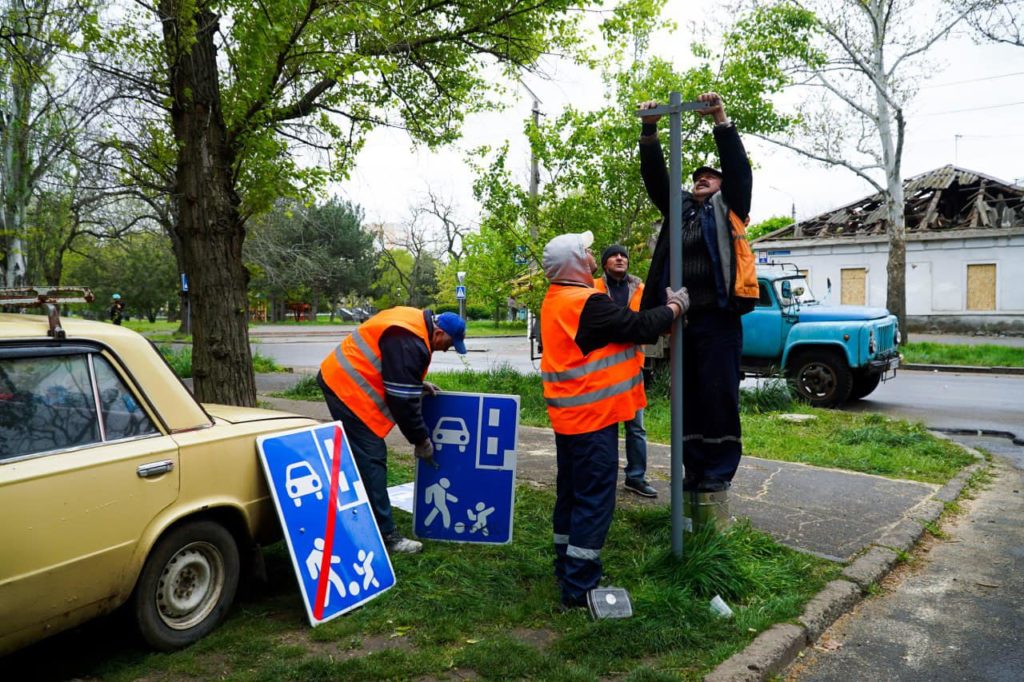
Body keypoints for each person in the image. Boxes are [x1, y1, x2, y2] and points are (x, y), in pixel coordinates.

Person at [540, 230, 689, 609]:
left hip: (570, 418)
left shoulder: (557, 297)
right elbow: (639, 327)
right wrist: (675, 308)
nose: (593, 254)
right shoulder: (585, 302)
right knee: (594, 501)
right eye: (587, 250)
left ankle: (565, 565)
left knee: (571, 495)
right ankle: (578, 585)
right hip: (593, 419)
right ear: (575, 262)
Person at [637, 91, 759, 493]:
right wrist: (649, 131)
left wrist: (721, 120)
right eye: (696, 177)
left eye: (709, 176)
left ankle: (719, 471)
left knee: (718, 393)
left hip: (719, 318)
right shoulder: (681, 210)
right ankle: (694, 468)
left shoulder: (731, 208)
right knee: (686, 395)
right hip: (682, 320)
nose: (700, 179)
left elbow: (739, 171)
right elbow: (657, 178)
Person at [317, 308, 467, 555]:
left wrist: (415, 383)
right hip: (346, 388)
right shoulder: (410, 340)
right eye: (449, 344)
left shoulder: (413, 322)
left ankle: (349, 511)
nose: (447, 349)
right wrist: (421, 441)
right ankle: (387, 536)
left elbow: (395, 368)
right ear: (438, 332)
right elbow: (402, 402)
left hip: (340, 377)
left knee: (360, 455)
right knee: (372, 456)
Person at [593, 244, 656, 498]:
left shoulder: (640, 290)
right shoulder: (593, 287)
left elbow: (647, 323)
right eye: (613, 255)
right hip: (599, 370)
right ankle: (601, 478)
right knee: (602, 427)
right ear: (605, 262)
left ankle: (636, 477)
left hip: (631, 369)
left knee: (636, 427)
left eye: (623, 255)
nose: (620, 258)